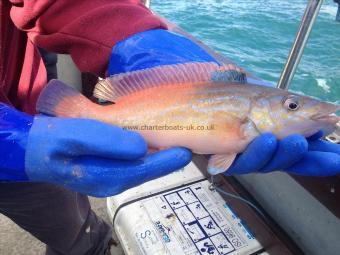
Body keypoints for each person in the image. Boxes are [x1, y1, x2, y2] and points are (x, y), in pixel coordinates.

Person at [0, 1, 339, 254]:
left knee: (68, 225)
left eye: (290, 104)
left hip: (28, 118)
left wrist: (132, 36)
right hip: (28, 136)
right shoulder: (243, 121)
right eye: (291, 105)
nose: (295, 108)